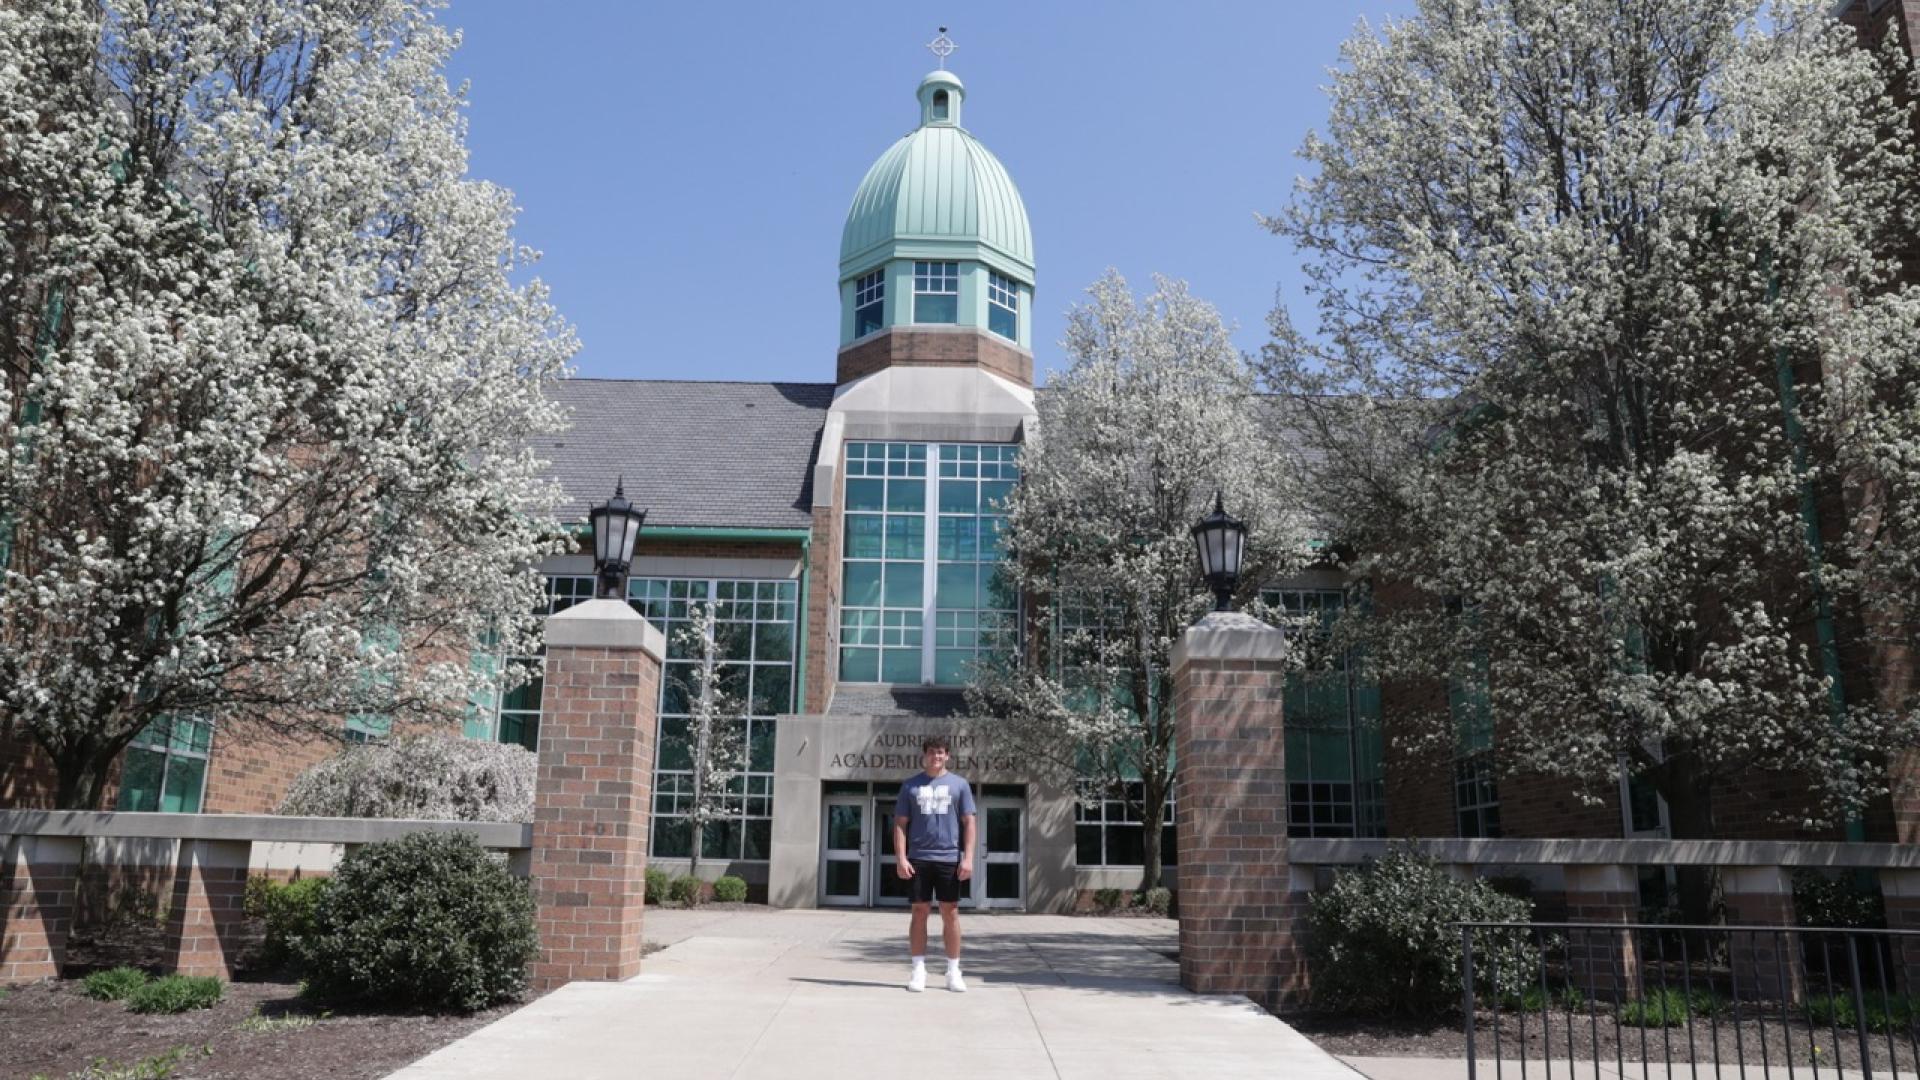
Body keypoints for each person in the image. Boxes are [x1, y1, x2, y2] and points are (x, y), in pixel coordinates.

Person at [893, 735, 976, 992]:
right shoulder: (910, 786)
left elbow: (969, 822)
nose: (936, 757)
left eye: (940, 752)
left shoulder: (960, 785)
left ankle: (953, 971)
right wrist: (901, 858)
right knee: (919, 912)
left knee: (950, 913)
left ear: (947, 755)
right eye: (931, 752)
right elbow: (900, 824)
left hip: (949, 858)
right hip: (918, 858)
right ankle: (918, 971)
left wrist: (968, 858)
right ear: (924, 755)